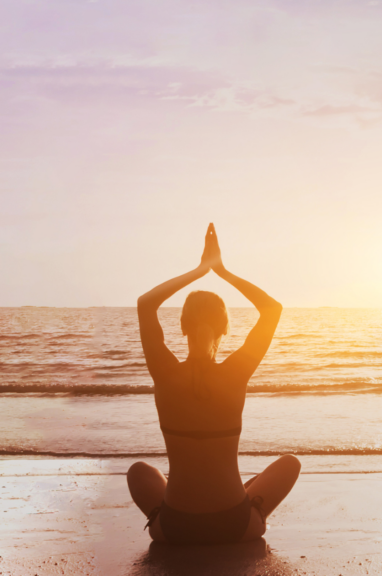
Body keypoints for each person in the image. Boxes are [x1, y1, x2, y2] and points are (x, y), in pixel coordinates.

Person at [126, 223, 300, 544]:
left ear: (181, 327)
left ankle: (159, 516)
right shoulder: (235, 373)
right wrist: (221, 270)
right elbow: (272, 309)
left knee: (139, 471)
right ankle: (251, 499)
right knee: (290, 464)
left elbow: (146, 303)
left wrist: (199, 270)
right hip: (236, 525)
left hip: (175, 529)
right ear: (224, 329)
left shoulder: (165, 373)